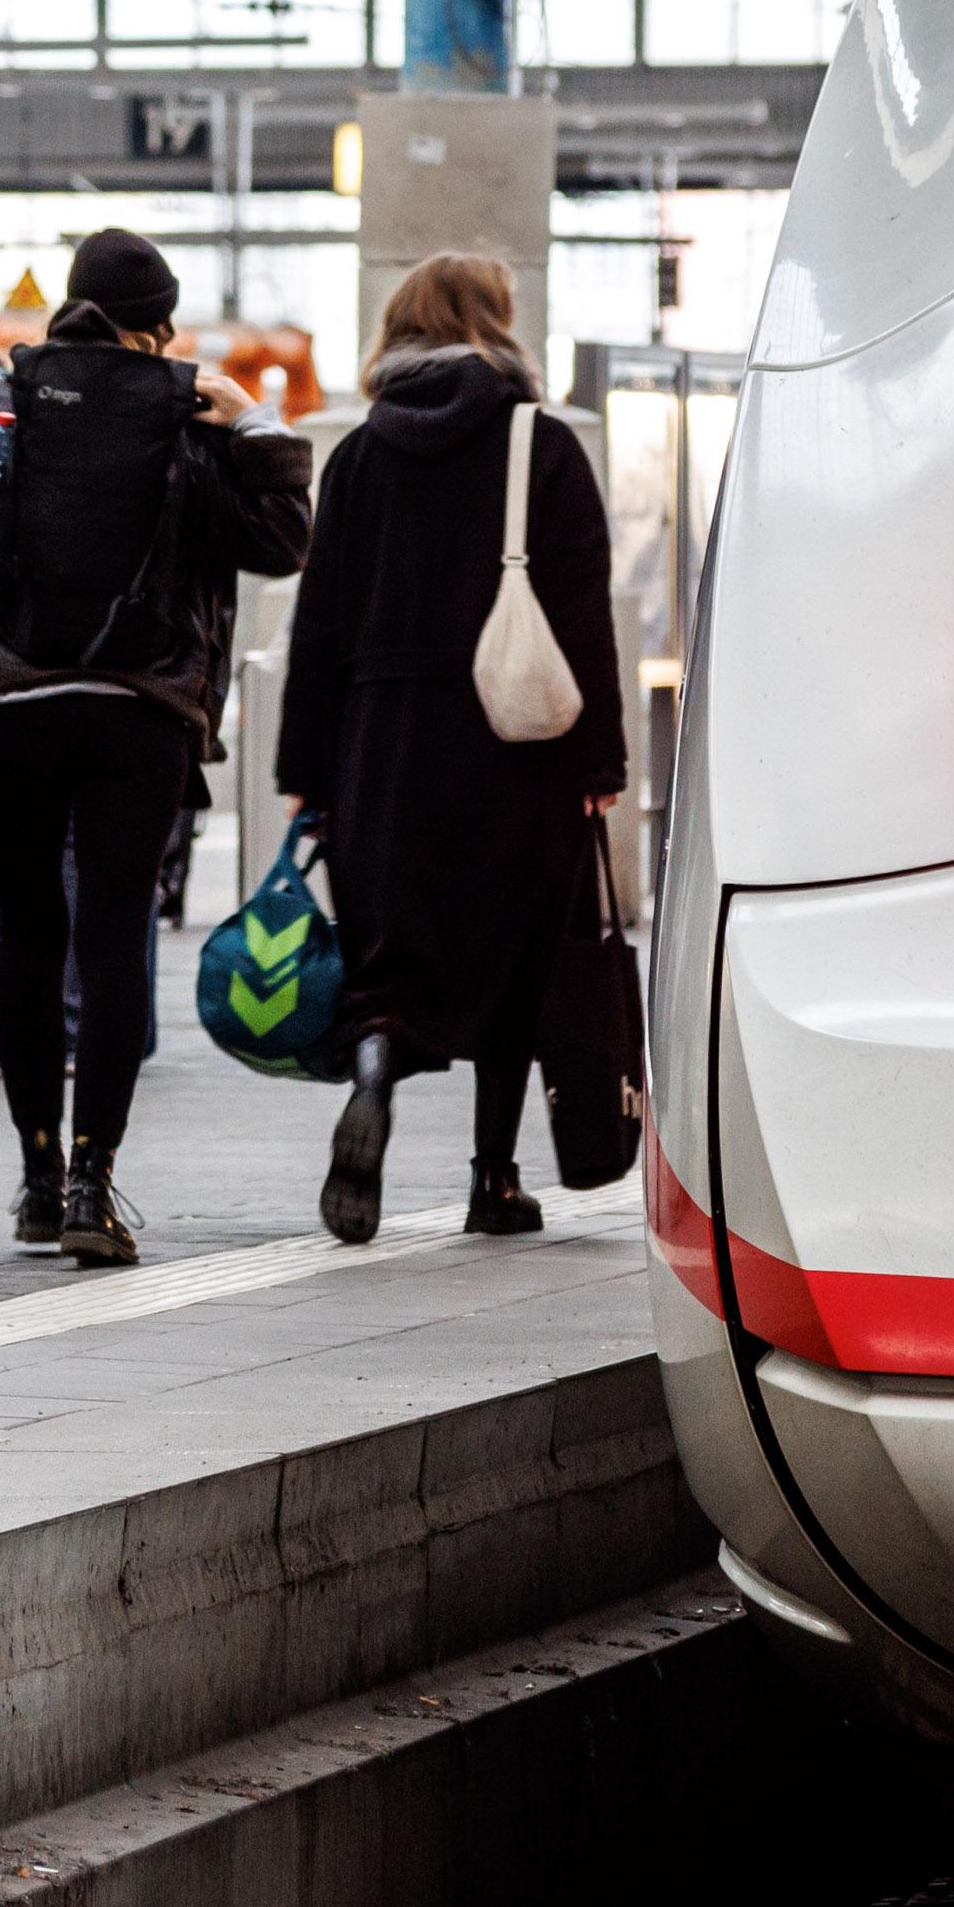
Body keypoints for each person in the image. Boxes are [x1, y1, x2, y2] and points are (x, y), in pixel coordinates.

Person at [0, 228, 311, 1266]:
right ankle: (87, 1187)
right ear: (156, 321)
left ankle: (27, 1176)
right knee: (112, 939)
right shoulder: (192, 406)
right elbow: (287, 540)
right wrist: (251, 419)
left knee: (28, 931)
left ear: (68, 306)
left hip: (5, 701)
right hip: (137, 709)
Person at [275, 255, 629, 1245]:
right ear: (496, 324)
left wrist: (307, 771)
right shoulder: (541, 446)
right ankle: (493, 1179)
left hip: (382, 746)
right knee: (513, 955)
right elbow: (581, 615)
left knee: (389, 959)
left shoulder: (356, 456)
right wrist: (599, 761)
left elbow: (320, 626)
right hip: (513, 748)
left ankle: (378, 1068)